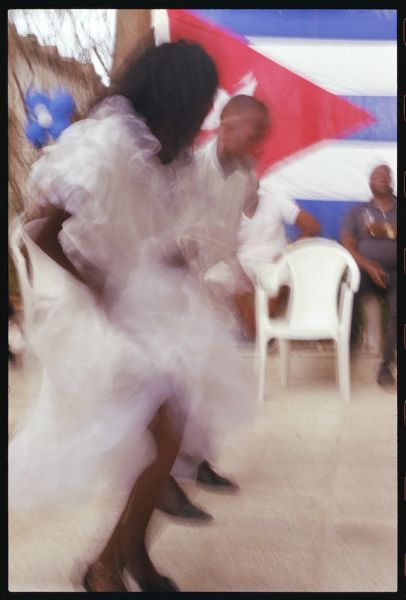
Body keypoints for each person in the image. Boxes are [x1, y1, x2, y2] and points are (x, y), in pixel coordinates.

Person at [9, 41, 254, 592]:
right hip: (82, 304)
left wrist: (168, 258)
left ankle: (124, 557)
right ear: (176, 95)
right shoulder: (109, 140)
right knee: (163, 430)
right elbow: (40, 231)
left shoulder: (157, 150)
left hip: (127, 295)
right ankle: (110, 565)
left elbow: (137, 226)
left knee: (172, 430)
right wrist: (97, 286)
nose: (202, 114)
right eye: (200, 101)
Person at [159, 95, 270, 518]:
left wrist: (238, 277)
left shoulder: (247, 174)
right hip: (169, 285)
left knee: (206, 378)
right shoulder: (188, 166)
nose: (258, 142)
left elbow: (227, 230)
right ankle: (162, 478)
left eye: (262, 134)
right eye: (254, 132)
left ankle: (197, 460)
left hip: (208, 283)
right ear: (226, 125)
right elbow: (166, 227)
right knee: (172, 381)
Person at [340, 163, 396, 388]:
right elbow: (348, 244)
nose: (382, 177)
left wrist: (385, 229)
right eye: (377, 175)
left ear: (391, 181)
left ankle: (385, 367)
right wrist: (368, 266)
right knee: (348, 295)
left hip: (396, 273)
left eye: (386, 174)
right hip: (365, 270)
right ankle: (348, 351)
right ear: (369, 182)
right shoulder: (357, 212)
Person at [238, 182, 320, 322]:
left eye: (249, 181)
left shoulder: (274, 200)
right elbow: (219, 244)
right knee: (219, 277)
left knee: (276, 283)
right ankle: (254, 324)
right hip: (241, 264)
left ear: (257, 183)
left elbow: (312, 226)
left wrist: (289, 251)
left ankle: (262, 325)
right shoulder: (227, 207)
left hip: (275, 261)